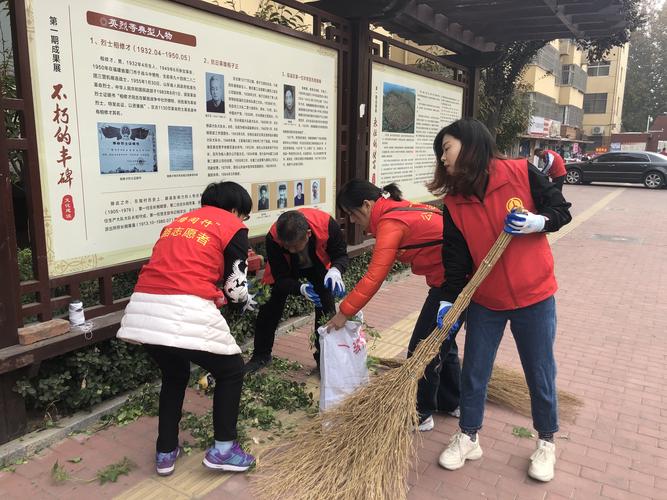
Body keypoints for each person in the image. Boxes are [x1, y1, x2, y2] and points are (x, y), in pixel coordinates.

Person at [431, 119, 572, 482]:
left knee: (539, 371)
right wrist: (448, 300)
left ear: (469, 143)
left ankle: (545, 442)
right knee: (475, 371)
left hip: (534, 295)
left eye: (446, 148)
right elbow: (456, 259)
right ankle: (468, 436)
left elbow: (561, 211)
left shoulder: (520, 172)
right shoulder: (454, 201)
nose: (442, 158)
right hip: (486, 300)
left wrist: (538, 222)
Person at [117, 181, 256, 476]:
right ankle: (223, 450)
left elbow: (182, 268)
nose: (243, 221)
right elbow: (235, 286)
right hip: (182, 307)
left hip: (144, 307)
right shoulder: (231, 225)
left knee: (175, 374)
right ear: (235, 210)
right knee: (231, 370)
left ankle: (165, 451)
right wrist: (243, 303)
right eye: (244, 214)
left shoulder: (178, 223)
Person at [325, 180, 462, 431]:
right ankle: (452, 402)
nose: (354, 221)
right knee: (442, 341)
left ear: (366, 205)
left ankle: (420, 414)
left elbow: (374, 276)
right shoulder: (399, 207)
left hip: (452, 284)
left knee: (422, 348)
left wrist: (344, 312)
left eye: (352, 214)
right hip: (456, 280)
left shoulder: (391, 223)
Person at [244, 208, 349, 373]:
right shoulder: (273, 236)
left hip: (318, 267)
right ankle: (261, 356)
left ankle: (324, 357)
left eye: (295, 246)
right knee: (269, 309)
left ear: (308, 234)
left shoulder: (327, 225)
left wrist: (336, 270)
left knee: (326, 309)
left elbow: (340, 255)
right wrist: (299, 288)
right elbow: (280, 277)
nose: (291, 250)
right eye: (287, 246)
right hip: (286, 269)